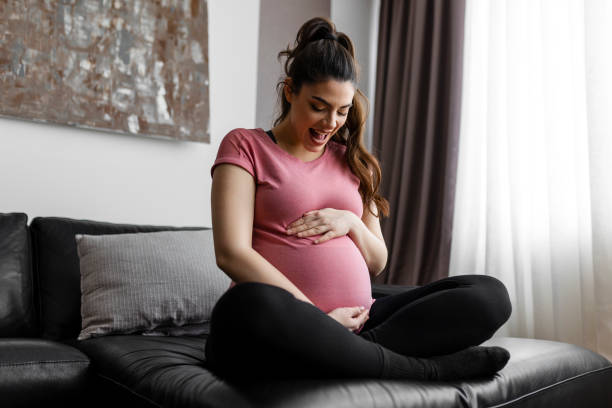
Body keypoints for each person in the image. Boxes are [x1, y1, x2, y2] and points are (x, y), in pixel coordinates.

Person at [205, 17, 512, 382]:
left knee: (489, 295)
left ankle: (350, 354)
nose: (330, 121)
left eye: (342, 110)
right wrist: (315, 318)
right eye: (318, 106)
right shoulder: (246, 146)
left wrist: (350, 223)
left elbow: (378, 260)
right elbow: (231, 253)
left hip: (362, 320)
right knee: (245, 306)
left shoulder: (351, 160)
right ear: (290, 91)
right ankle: (420, 368)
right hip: (283, 321)